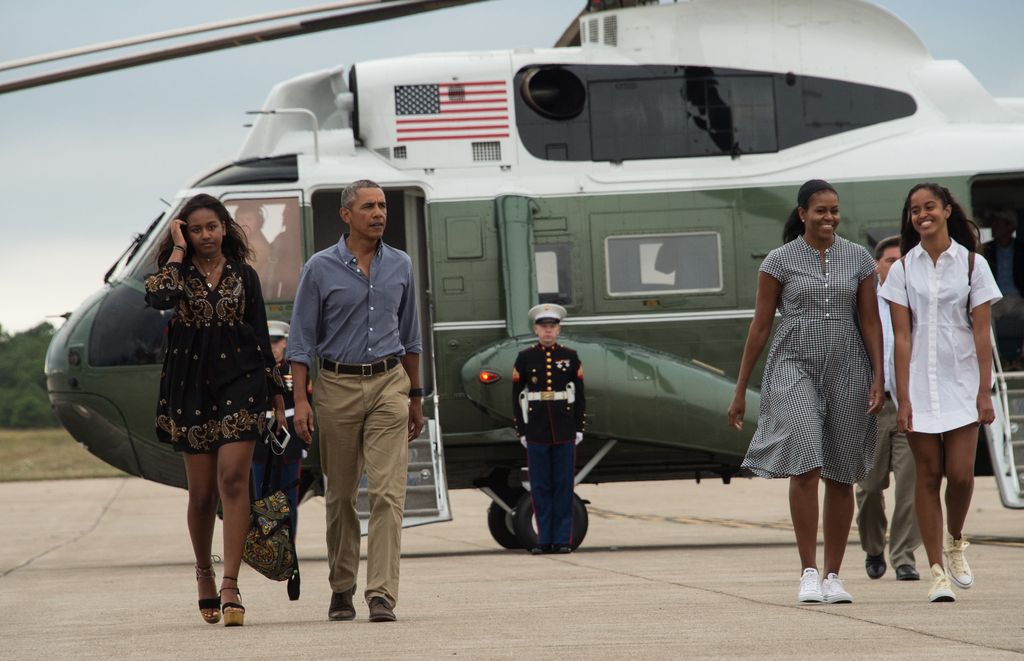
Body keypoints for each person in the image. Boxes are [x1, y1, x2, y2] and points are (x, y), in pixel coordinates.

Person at [727, 179, 884, 605]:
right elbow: (760, 325)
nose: (829, 218)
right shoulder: (778, 261)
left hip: (849, 366)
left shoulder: (859, 260)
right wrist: (741, 389)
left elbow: (871, 322)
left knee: (841, 470)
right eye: (820, 211)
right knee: (806, 460)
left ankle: (834, 575)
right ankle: (808, 571)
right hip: (793, 364)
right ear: (802, 214)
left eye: (834, 210)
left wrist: (879, 376)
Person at [144, 193, 286, 627]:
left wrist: (278, 398)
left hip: (240, 381)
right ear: (185, 231)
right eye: (196, 228)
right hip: (191, 388)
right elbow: (157, 298)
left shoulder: (245, 275)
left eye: (212, 227)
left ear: (226, 228)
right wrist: (177, 249)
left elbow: (262, 337)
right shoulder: (177, 273)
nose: (206, 235)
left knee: (233, 478)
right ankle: (204, 571)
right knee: (202, 494)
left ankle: (230, 582)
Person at [288, 179, 423, 623]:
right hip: (337, 388)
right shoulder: (319, 268)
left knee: (387, 493)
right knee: (341, 495)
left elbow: (411, 339)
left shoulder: (400, 265)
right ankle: (341, 586)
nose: (379, 213)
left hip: (389, 384)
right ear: (347, 215)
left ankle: (381, 593)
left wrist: (416, 397)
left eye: (382, 205)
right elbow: (302, 341)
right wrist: (301, 401)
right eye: (368, 206)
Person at [880, 183, 1001, 603]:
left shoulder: (972, 265)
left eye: (929, 207)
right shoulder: (902, 269)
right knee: (927, 477)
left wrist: (985, 391)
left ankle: (955, 540)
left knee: (963, 475)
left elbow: (983, 332)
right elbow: (901, 337)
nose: (921, 215)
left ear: (947, 210)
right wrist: (904, 397)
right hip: (919, 385)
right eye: (914, 210)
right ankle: (936, 572)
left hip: (963, 383)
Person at [856, 236, 922, 582]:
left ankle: (904, 557)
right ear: (877, 265)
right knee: (868, 488)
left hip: (908, 404)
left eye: (901, 260)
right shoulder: (864, 303)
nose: (896, 266)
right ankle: (872, 547)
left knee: (909, 485)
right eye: (889, 260)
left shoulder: (914, 302)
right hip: (872, 406)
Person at [511, 303, 586, 554]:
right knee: (540, 486)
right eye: (543, 327)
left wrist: (578, 427)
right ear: (535, 329)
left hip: (564, 429)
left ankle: (563, 540)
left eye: (552, 327)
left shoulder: (570, 356)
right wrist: (521, 430)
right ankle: (544, 540)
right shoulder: (525, 358)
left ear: (558, 329)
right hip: (537, 430)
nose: (548, 331)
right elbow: (516, 395)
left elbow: (580, 395)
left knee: (563, 486)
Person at [252, 320, 306, 598]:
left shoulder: (293, 370)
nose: (272, 347)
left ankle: (290, 550)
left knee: (289, 497)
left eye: (276, 341)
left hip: (288, 437)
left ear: (285, 342)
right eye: (268, 341)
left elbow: (303, 401)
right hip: (262, 436)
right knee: (261, 495)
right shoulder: (256, 367)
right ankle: (267, 547)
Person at [981, 208, 1024, 366]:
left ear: (1010, 227)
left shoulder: (1021, 249)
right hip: (996, 300)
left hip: (1018, 299)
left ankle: (1022, 358)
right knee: (983, 314)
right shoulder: (986, 250)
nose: (993, 226)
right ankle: (997, 359)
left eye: (998, 222)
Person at [234, 203, 272, 284]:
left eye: (248, 219)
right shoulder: (244, 243)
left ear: (258, 222)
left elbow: (241, 275)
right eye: (239, 219)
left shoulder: (260, 248)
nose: (243, 223)